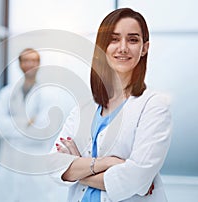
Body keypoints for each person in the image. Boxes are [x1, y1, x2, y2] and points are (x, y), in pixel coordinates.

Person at [52, 8, 172, 202]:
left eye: (132, 40)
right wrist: (106, 163)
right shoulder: (84, 109)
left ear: (144, 48)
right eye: (114, 39)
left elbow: (135, 178)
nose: (123, 48)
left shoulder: (154, 107)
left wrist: (77, 170)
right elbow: (54, 166)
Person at [0, 48, 72, 201]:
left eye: (34, 61)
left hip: (36, 163)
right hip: (10, 163)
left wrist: (13, 127)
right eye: (26, 60)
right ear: (20, 64)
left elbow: (42, 131)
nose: (30, 64)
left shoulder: (49, 94)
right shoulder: (7, 93)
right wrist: (26, 124)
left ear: (39, 64)